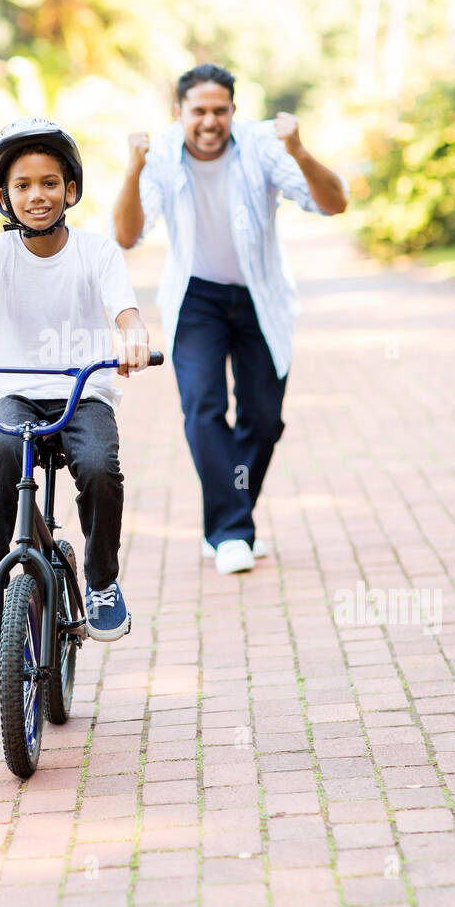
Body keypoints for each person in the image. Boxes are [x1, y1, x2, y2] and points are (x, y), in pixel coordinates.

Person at [0, 117, 150, 640]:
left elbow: (126, 312)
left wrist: (134, 337)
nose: (36, 195)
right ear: (4, 195)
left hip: (84, 394)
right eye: (22, 185)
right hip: (16, 394)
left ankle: (102, 582)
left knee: (99, 467)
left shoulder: (97, 252)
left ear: (70, 191)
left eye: (48, 183)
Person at [112, 63, 348, 575]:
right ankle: (232, 532)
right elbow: (127, 236)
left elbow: (334, 204)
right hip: (196, 300)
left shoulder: (264, 145)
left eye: (220, 110)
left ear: (234, 111)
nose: (210, 121)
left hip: (259, 296)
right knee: (204, 408)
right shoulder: (160, 156)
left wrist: (300, 151)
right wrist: (132, 170)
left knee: (263, 419)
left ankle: (227, 517)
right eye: (199, 111)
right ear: (180, 113)